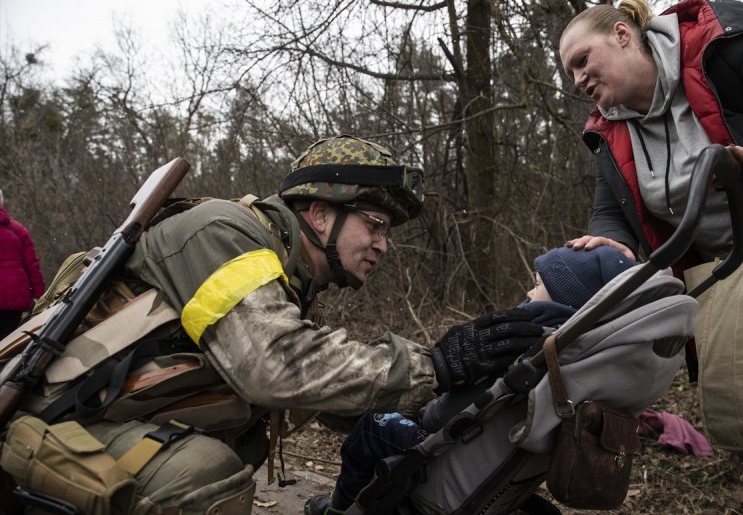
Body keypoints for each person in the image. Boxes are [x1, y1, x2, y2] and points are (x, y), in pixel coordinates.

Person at [0, 136, 542, 514]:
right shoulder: (227, 234)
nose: (383, 244)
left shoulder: (284, 268)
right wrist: (432, 366)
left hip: (101, 418)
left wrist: (419, 409)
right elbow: (274, 367)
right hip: (50, 425)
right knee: (202, 472)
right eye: (374, 224)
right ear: (320, 213)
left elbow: (298, 385)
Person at [558, 0, 743, 515]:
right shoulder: (610, 128)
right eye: (570, 72)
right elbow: (611, 213)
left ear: (624, 35)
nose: (578, 79)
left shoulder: (727, 54)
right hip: (733, 290)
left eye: (583, 60)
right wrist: (612, 242)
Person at [306, 245, 638, 515]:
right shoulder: (592, 366)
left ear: (565, 300)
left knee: (372, 427)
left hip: (444, 460)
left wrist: (430, 397)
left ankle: (342, 506)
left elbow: (442, 415)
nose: (527, 290)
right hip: (496, 482)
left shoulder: (524, 353)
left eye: (537, 284)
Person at [0, 189, 45, 337]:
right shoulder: (18, 230)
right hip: (14, 299)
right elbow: (32, 266)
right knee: (7, 341)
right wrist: (40, 296)